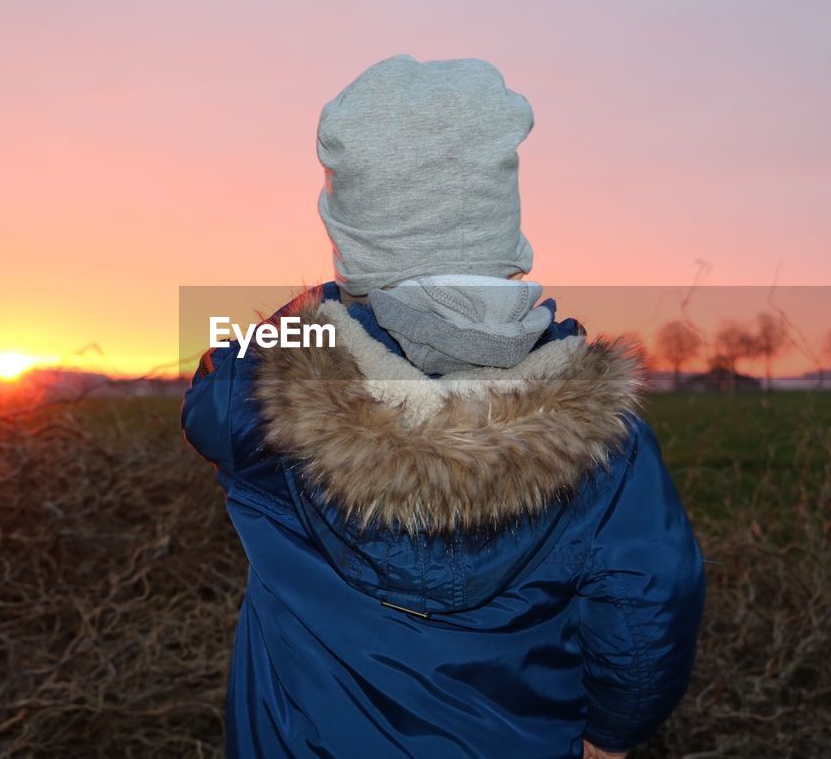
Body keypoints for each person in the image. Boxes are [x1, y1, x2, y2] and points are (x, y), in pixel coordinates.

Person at [181, 54, 706, 758]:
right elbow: (651, 603)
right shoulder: (606, 436)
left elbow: (209, 394)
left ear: (349, 227)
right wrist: (611, 737)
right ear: (502, 214)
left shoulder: (264, 393)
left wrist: (317, 310)